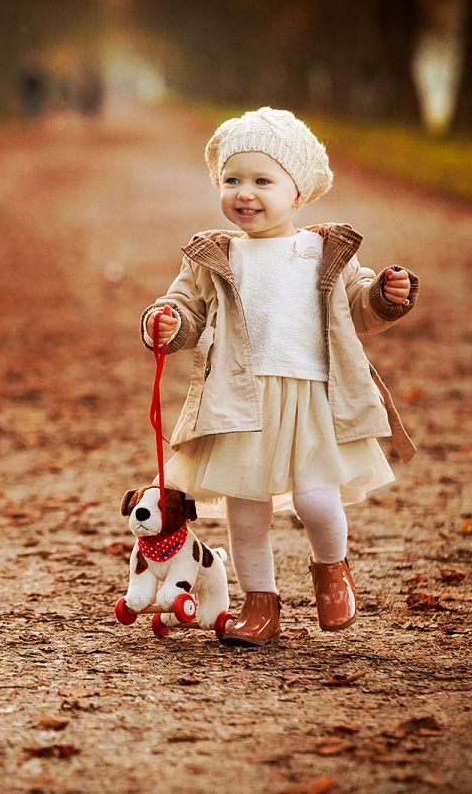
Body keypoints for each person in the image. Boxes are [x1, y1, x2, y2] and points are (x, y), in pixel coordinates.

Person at [140, 107, 419, 647]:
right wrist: (166, 322)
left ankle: (331, 568)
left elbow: (358, 306)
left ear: (298, 193)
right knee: (246, 514)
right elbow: (187, 308)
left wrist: (384, 296)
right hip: (241, 404)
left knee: (318, 500)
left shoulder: (323, 252)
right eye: (232, 180)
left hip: (311, 400)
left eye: (262, 181)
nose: (244, 193)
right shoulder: (213, 255)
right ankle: (259, 603)